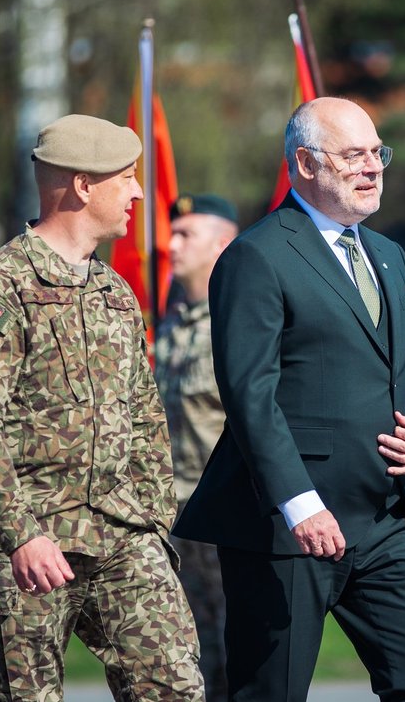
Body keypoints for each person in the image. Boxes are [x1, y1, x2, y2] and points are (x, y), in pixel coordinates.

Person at [173, 97, 405, 701]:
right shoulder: (257, 255)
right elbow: (251, 396)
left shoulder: (387, 254)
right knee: (269, 693)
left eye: (377, 153)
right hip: (286, 528)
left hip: (385, 521)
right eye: (353, 155)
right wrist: (300, 505)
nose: (373, 167)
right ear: (305, 163)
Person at [0, 113, 204, 701]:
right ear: (83, 185)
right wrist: (20, 534)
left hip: (122, 535)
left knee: (175, 689)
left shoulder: (114, 292)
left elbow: (144, 418)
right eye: (126, 178)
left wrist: (154, 524)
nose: (139, 192)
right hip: (27, 545)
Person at [154, 192, 239, 702]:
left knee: (237, 652)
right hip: (170, 515)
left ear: (222, 243)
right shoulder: (169, 323)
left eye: (187, 233)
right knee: (183, 659)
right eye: (172, 231)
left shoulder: (238, 323)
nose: (171, 243)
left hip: (223, 517)